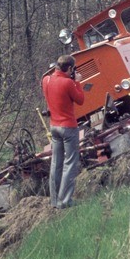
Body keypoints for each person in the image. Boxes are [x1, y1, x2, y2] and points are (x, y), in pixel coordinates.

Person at [41, 55, 85, 209]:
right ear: (70, 68)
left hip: (54, 127)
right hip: (68, 126)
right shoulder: (68, 83)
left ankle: (55, 201)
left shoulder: (45, 80)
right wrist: (77, 82)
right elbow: (80, 100)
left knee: (56, 163)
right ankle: (65, 200)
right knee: (71, 162)